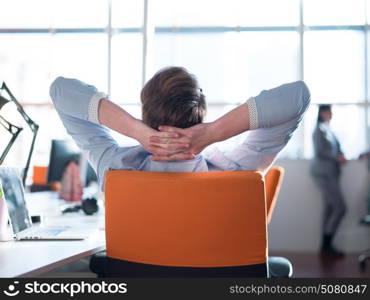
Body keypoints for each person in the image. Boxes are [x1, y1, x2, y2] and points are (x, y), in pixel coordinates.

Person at [50, 66, 311, 277]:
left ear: (144, 113)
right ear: (200, 115)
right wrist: (213, 132)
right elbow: (298, 96)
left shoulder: (114, 166)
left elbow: (60, 90)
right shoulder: (238, 169)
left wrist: (137, 131)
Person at [310, 104, 347, 257]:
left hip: (331, 173)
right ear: (323, 113)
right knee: (340, 207)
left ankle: (325, 246)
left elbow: (336, 147)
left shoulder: (328, 129)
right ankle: (327, 243)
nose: (331, 114)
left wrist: (341, 154)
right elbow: (321, 151)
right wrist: (336, 157)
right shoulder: (318, 130)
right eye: (329, 112)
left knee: (330, 207)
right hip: (323, 173)